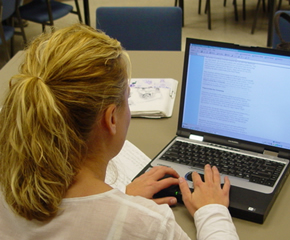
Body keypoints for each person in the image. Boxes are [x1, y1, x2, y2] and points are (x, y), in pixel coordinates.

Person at [0, 23, 239, 240]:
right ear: (111, 118)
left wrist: (120, 198)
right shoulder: (147, 225)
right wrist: (212, 210)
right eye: (127, 97)